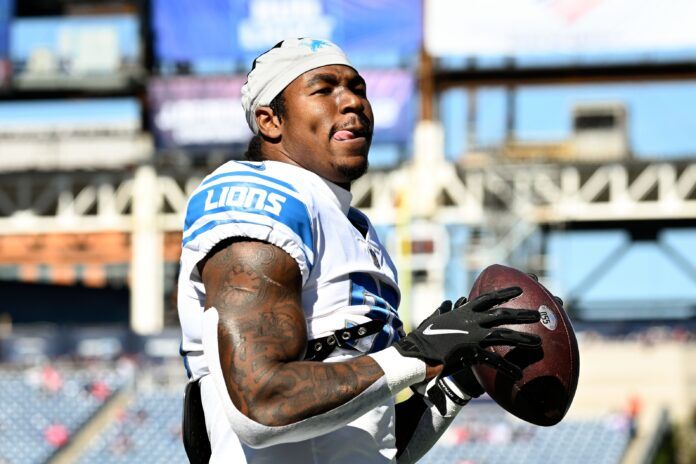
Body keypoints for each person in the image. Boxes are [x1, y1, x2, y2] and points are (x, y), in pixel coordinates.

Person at [177, 38, 541, 464]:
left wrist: (455, 381)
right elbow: (261, 404)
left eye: (358, 88)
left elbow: (368, 444)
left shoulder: (359, 230)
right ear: (270, 120)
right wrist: (417, 353)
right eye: (323, 88)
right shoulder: (259, 193)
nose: (352, 102)